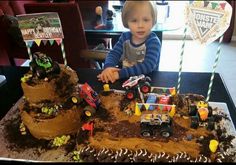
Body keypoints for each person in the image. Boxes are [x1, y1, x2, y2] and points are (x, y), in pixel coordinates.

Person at [97, 1, 161, 83]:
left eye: (146, 20)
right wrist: (108, 68)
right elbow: (114, 53)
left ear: (153, 20)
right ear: (126, 22)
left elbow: (147, 66)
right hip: (126, 81)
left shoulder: (153, 42)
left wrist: (119, 74)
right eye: (134, 20)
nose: (140, 25)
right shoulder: (125, 37)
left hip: (147, 82)